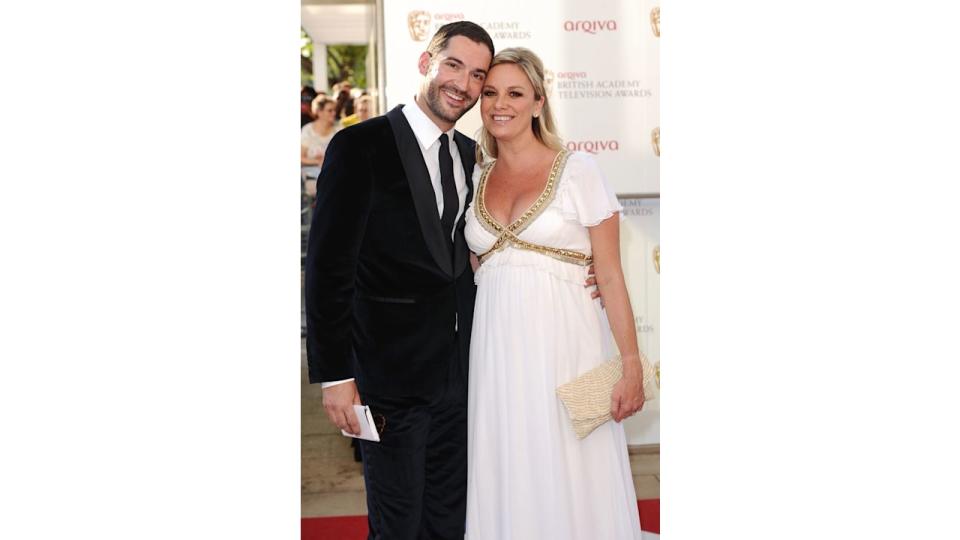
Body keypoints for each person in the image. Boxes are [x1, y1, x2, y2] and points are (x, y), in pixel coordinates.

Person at [305, 22, 494, 539]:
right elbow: (327, 269)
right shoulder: (359, 146)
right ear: (425, 62)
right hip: (387, 382)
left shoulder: (467, 155)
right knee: (396, 526)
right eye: (454, 65)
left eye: (477, 74)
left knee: (447, 522)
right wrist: (336, 376)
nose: (464, 83)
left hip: (456, 380)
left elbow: (465, 257)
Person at [464, 47, 645, 539]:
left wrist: (631, 365)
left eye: (516, 93)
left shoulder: (579, 170)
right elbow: (474, 267)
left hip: (567, 348)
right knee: (506, 459)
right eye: (491, 93)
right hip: (496, 358)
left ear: (539, 102)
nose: (501, 104)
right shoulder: (475, 176)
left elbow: (609, 275)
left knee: (572, 467)